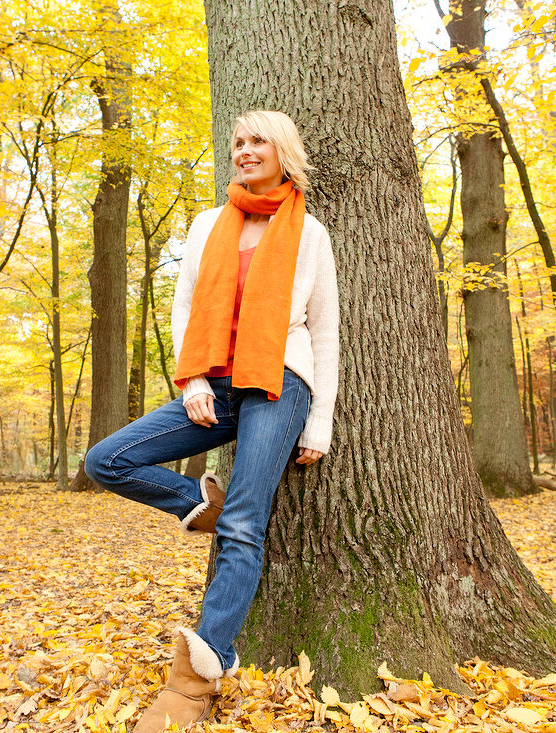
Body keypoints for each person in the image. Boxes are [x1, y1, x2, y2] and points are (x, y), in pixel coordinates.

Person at [84, 109, 339, 732]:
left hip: (281, 385)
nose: (245, 152)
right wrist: (193, 378)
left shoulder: (311, 234)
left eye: (258, 142)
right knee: (106, 460)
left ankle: (197, 679)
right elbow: (185, 305)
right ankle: (203, 506)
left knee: (248, 525)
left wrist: (319, 424)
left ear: (283, 152)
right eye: (238, 143)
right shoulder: (207, 224)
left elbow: (326, 334)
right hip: (213, 383)